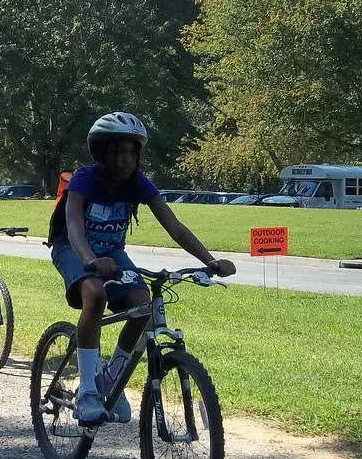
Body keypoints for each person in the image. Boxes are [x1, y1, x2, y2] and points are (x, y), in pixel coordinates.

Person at [47, 112, 236, 425]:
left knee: (143, 306)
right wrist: (90, 260)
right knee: (94, 294)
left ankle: (110, 378)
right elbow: (73, 225)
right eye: (119, 151)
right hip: (72, 247)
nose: (126, 159)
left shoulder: (138, 184)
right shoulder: (84, 179)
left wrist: (210, 260)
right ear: (102, 152)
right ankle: (88, 392)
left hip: (111, 252)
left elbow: (174, 225)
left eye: (132, 152)